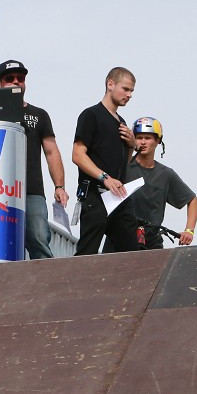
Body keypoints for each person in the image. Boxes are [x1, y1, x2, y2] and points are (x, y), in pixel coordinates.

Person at [0, 60, 69, 259]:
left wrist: (59, 186)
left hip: (32, 190)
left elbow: (51, 151)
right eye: (10, 79)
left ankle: (48, 287)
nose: (16, 82)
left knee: (38, 239)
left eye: (21, 78)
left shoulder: (39, 114)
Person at [72, 67, 140, 255]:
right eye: (126, 89)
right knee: (87, 254)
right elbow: (77, 155)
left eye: (132, 91)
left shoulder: (122, 123)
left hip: (119, 197)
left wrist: (131, 145)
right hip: (96, 195)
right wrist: (105, 178)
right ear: (110, 84)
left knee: (132, 256)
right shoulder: (91, 115)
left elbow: (122, 165)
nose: (129, 95)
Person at [124, 117, 197, 249]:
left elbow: (192, 200)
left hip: (151, 240)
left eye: (148, 138)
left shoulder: (165, 174)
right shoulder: (123, 167)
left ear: (158, 140)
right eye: (139, 137)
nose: (143, 142)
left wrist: (189, 230)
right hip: (121, 235)